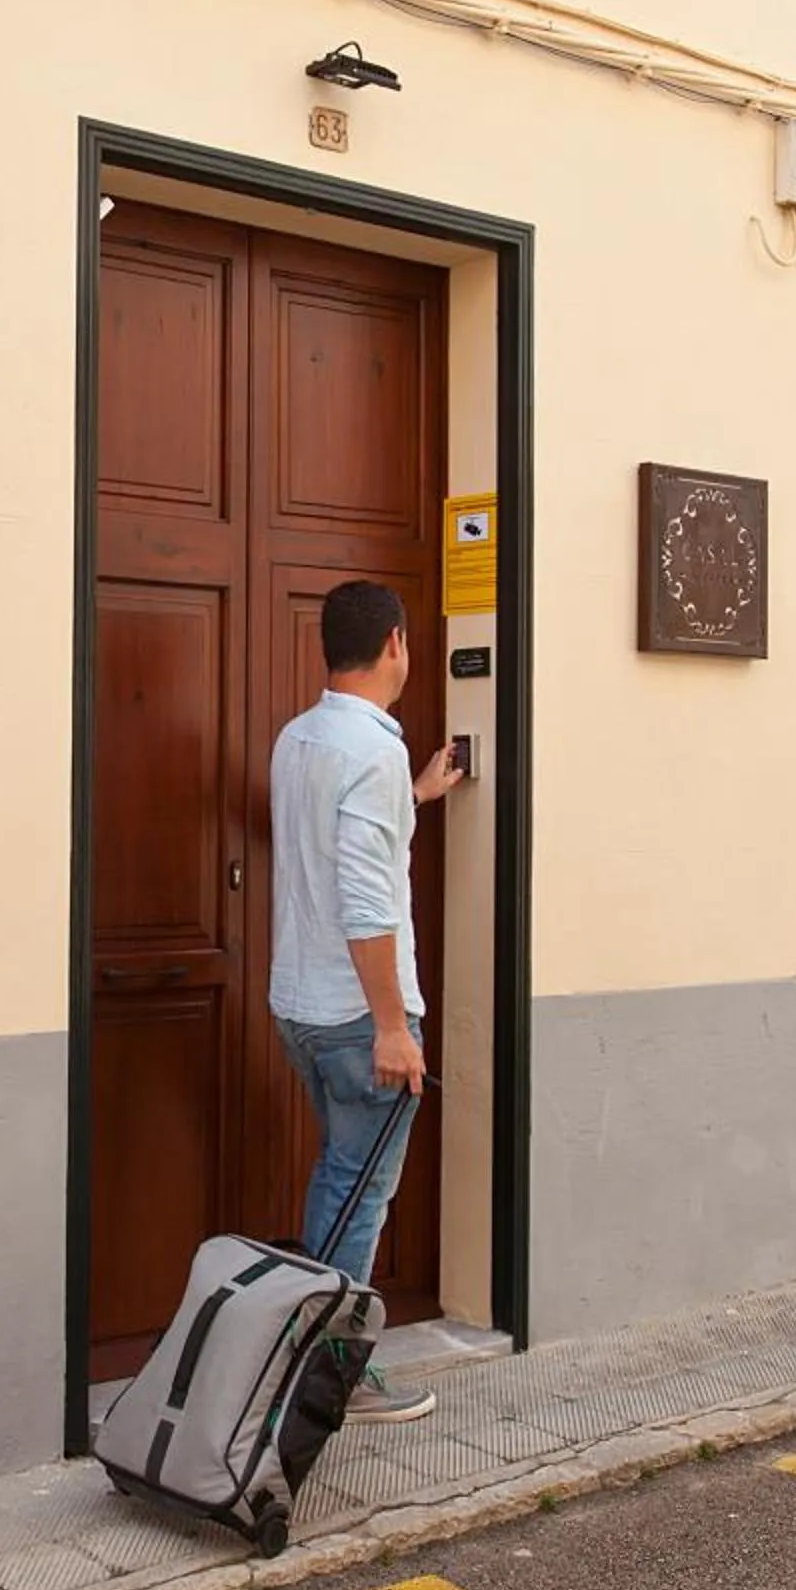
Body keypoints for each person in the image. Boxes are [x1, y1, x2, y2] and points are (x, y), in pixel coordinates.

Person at [268, 578, 461, 1426]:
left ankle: (298, 1357)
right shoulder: (371, 754)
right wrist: (392, 1026)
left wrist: (412, 799)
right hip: (358, 1017)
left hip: (301, 1007)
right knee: (359, 1194)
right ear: (395, 645)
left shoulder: (300, 739)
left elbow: (335, 844)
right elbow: (366, 900)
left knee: (338, 1175)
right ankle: (329, 1378)